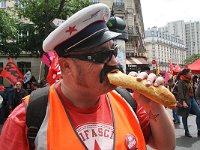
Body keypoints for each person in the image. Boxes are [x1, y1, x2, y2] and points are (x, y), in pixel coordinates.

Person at [0, 3, 175, 150]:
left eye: (113, 51)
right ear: (66, 66)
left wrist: (155, 107)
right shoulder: (26, 118)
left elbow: (166, 146)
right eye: (101, 55)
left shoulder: (127, 101)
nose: (114, 62)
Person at [176, 68, 200, 137]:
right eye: (190, 72)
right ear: (185, 73)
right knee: (185, 116)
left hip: (192, 99)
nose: (191, 73)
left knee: (199, 113)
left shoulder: (189, 80)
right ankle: (186, 131)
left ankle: (199, 130)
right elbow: (180, 92)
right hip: (186, 100)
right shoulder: (181, 81)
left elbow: (192, 90)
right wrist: (183, 101)